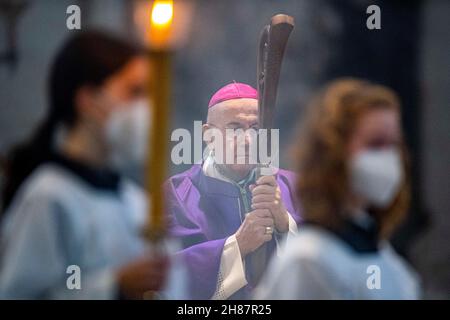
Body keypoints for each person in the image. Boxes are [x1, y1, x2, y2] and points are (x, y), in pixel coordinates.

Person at [0, 30, 180, 299]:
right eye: (135, 92)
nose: (147, 108)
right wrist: (112, 287)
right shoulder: (49, 196)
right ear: (89, 99)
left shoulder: (136, 202)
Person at [254, 79, 420, 299]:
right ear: (334, 152)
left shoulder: (384, 255)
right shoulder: (308, 261)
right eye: (375, 143)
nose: (388, 157)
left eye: (393, 144)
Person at [165, 82, 302, 299]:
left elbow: (327, 259)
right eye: (235, 128)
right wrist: (237, 245)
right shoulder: (176, 194)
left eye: (256, 129)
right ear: (208, 135)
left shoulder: (295, 186)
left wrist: (285, 223)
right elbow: (166, 274)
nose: (248, 141)